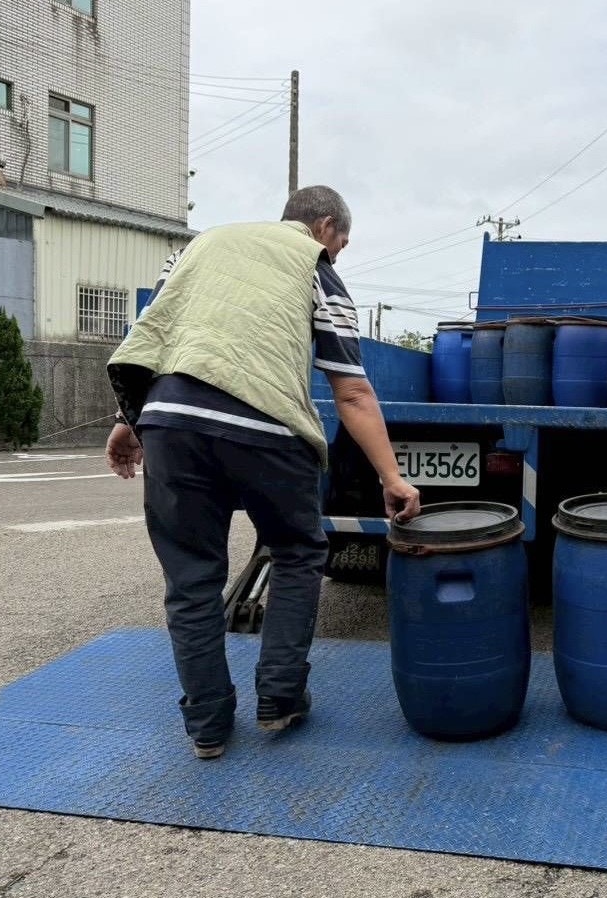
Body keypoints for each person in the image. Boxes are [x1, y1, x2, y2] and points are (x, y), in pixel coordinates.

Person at [104, 186, 420, 759]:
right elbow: (349, 388)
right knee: (298, 553)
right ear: (325, 228)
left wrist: (130, 420)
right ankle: (279, 700)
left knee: (192, 578)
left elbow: (157, 332)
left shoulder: (198, 248)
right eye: (342, 243)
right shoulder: (317, 271)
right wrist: (392, 479)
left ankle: (207, 727)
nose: (339, 253)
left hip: (171, 422)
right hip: (267, 427)